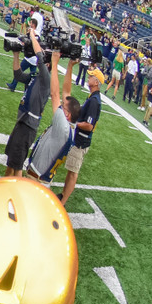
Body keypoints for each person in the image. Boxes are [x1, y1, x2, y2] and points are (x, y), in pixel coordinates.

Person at [26, 51, 81, 183]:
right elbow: (66, 93)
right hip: (41, 177)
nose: (60, 106)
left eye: (63, 106)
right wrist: (70, 67)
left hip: (37, 180)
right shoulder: (69, 125)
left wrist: (55, 63)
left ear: (67, 115)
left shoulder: (63, 127)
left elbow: (55, 94)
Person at [4, 26, 51, 177]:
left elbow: (40, 56)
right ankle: (7, 186)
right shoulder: (36, 76)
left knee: (17, 165)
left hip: (28, 126)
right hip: (23, 122)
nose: (38, 60)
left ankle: (12, 190)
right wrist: (16, 54)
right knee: (12, 162)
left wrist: (32, 35)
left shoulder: (46, 79)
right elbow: (18, 75)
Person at [60, 66, 104, 206]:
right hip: (79, 139)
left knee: (73, 172)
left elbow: (89, 125)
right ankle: (63, 195)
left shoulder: (94, 101)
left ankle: (63, 201)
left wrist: (74, 124)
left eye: (91, 76)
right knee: (71, 170)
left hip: (81, 141)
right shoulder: (92, 97)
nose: (88, 77)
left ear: (96, 82)